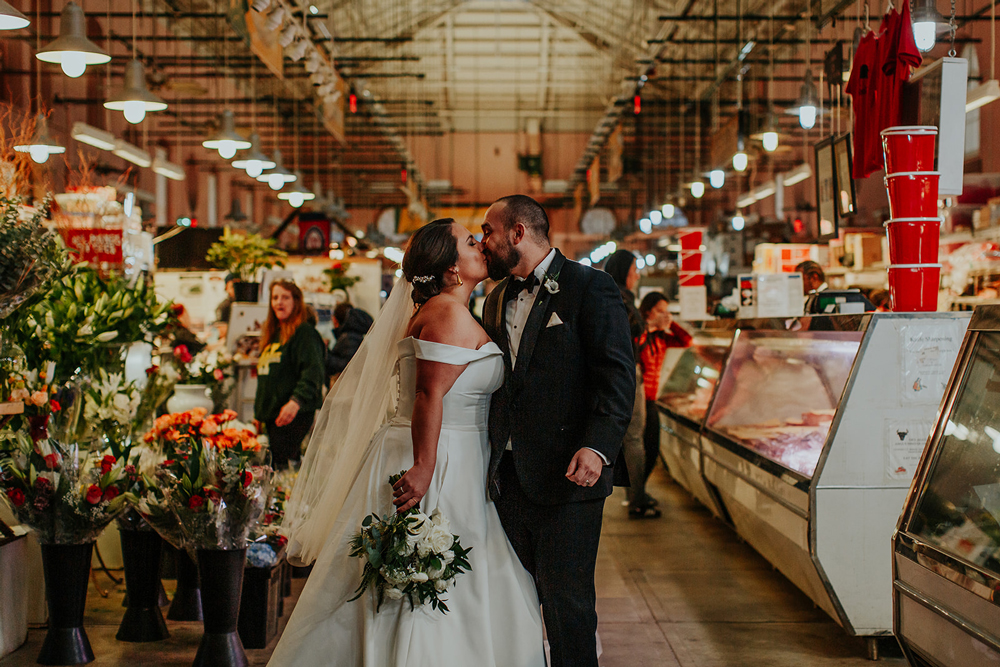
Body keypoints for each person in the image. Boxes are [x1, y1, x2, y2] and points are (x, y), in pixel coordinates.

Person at [269, 219, 545, 666]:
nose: (481, 247)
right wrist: (423, 467)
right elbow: (428, 394)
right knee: (425, 577)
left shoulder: (444, 310)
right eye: (471, 242)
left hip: (449, 453)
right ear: (452, 267)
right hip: (439, 458)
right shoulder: (447, 313)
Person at [481, 195, 635, 667]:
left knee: (568, 608)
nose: (482, 242)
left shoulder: (592, 287)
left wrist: (598, 446)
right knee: (516, 606)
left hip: (570, 477)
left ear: (518, 233)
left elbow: (617, 375)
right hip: (506, 480)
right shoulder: (493, 299)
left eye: (488, 231)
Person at [603, 249, 660, 518]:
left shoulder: (611, 295)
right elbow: (626, 333)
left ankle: (635, 493)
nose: (637, 274)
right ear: (624, 271)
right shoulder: (619, 299)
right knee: (634, 437)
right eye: (634, 269)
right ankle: (637, 499)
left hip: (622, 374)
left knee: (632, 438)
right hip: (626, 374)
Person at [255, 280, 326, 469]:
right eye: (275, 297)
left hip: (293, 415)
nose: (279, 302)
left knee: (284, 471)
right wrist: (259, 412)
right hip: (273, 416)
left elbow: (313, 372)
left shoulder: (304, 333)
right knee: (275, 468)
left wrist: (296, 402)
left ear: (296, 302)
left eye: (285, 297)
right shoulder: (273, 334)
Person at [637, 292, 692, 480]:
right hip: (636, 401)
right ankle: (635, 494)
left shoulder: (661, 339)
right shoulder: (640, 335)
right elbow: (635, 340)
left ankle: (639, 488)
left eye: (666, 311)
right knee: (634, 449)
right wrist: (651, 326)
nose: (664, 314)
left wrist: (671, 324)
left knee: (652, 448)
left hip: (652, 400)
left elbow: (687, 341)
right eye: (660, 311)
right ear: (647, 311)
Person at [325, 301, 374, 382]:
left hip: (349, 385)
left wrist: (326, 355)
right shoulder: (352, 335)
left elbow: (348, 365)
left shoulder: (349, 337)